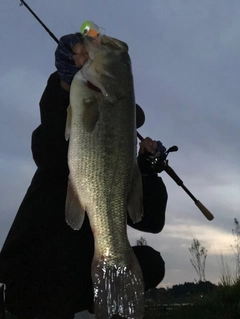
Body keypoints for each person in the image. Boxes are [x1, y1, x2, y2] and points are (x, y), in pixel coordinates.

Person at [0, 31, 168, 319]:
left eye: (129, 121)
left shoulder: (124, 164)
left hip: (81, 275)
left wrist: (148, 171)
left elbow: (151, 221)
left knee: (152, 263)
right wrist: (64, 82)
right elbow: (48, 145)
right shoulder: (59, 138)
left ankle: (102, 300)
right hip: (37, 272)